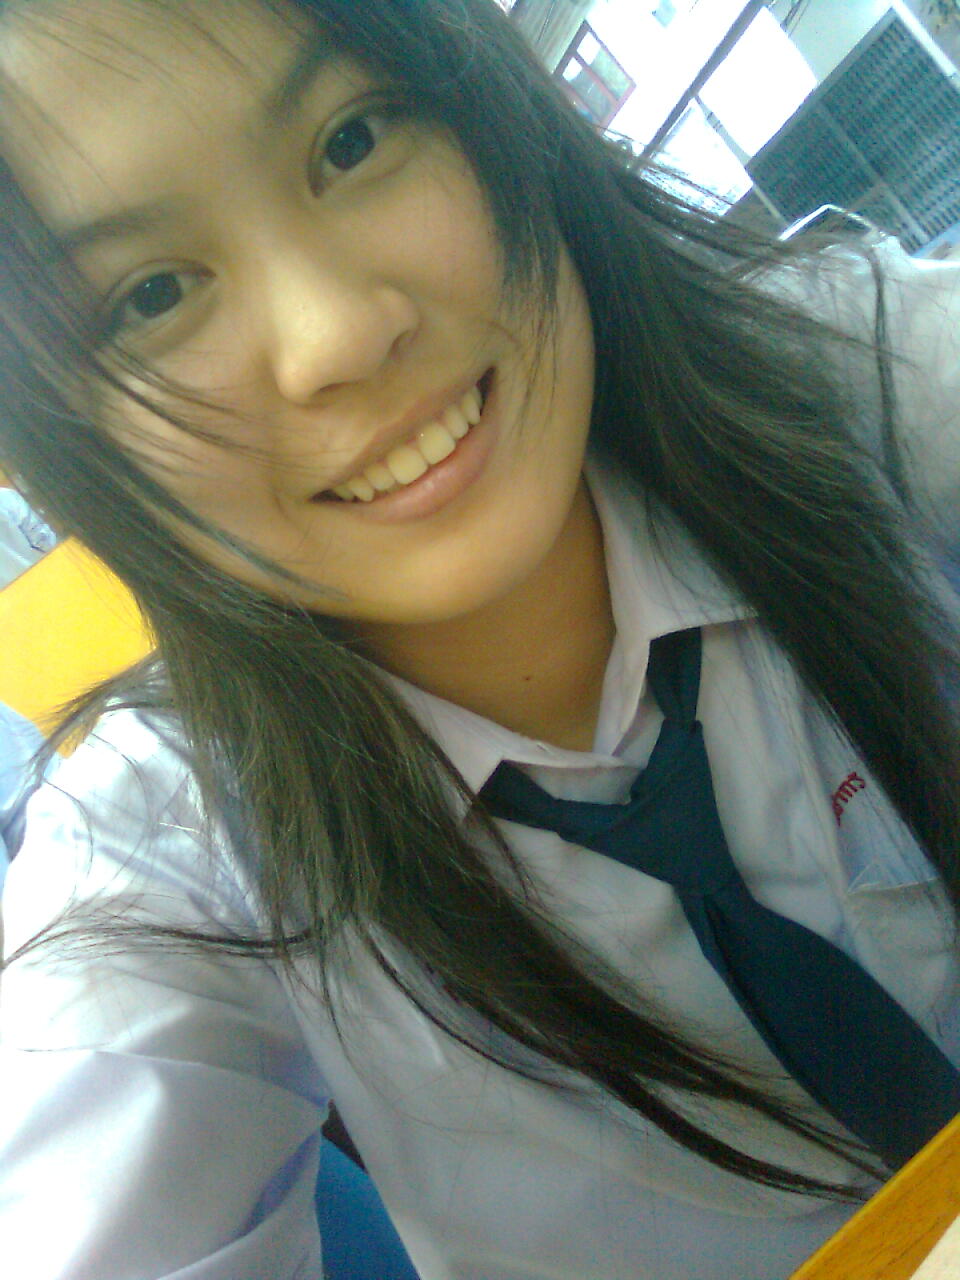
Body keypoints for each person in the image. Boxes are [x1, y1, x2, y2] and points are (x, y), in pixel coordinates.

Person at [0, 2, 958, 1278]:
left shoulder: (829, 369)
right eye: (151, 296)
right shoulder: (164, 869)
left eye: (350, 141)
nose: (341, 333)